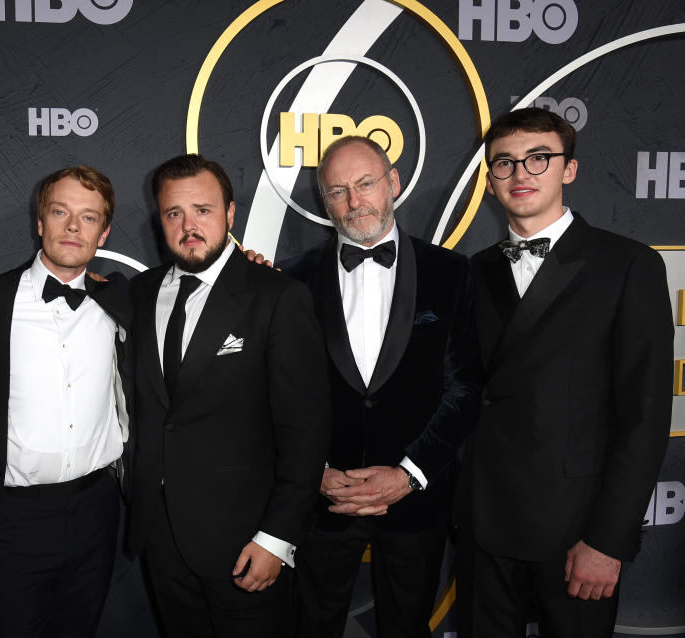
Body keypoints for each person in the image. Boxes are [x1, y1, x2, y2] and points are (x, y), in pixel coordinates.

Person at [457, 107, 672, 637]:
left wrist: (607, 540)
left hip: (576, 530)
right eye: (504, 163)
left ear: (568, 170)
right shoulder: (472, 271)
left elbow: (644, 419)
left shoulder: (628, 266)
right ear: (489, 182)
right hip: (483, 525)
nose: (521, 174)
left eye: (538, 158)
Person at [282, 136, 481, 637]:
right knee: (312, 624)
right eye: (338, 191)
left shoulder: (451, 273)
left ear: (392, 183)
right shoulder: (292, 282)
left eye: (366, 183)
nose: (355, 202)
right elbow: (279, 397)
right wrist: (317, 474)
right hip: (325, 498)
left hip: (416, 498)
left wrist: (408, 474)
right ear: (323, 201)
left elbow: (465, 391)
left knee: (408, 626)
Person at [126, 153, 331, 637]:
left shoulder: (277, 296)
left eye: (203, 210)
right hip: (161, 539)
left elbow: (306, 432)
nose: (188, 225)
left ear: (230, 214)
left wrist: (277, 538)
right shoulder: (135, 294)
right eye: (174, 213)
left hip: (246, 542)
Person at [0, 165, 130, 637]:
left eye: (89, 217)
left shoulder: (120, 299)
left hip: (97, 512)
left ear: (105, 231)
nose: (74, 227)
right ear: (40, 222)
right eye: (61, 212)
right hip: (10, 519)